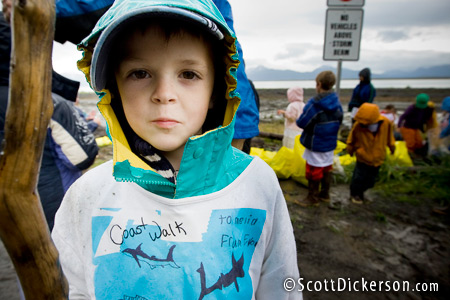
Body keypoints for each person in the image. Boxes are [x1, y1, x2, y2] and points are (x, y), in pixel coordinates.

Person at [51, 1, 300, 299]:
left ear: (217, 89)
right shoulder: (86, 195)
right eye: (140, 73)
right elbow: (72, 289)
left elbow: (281, 287)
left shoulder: (258, 183)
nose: (164, 94)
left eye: (189, 74)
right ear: (113, 88)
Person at [0, 11, 99, 230]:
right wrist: (88, 126)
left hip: (10, 210)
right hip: (52, 202)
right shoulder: (48, 102)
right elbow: (82, 155)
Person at [295, 71, 343, 206]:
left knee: (313, 170)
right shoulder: (337, 102)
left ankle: (312, 197)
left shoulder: (314, 104)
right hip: (329, 142)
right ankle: (325, 194)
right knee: (327, 167)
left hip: (315, 142)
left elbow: (302, 122)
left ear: (319, 84)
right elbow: (340, 119)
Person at [346, 103, 396, 204]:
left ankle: (361, 193)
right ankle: (355, 194)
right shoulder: (358, 125)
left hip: (378, 157)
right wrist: (350, 151)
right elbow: (351, 140)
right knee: (358, 177)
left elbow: (390, 138)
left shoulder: (385, 123)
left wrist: (392, 148)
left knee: (370, 181)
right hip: (362, 157)